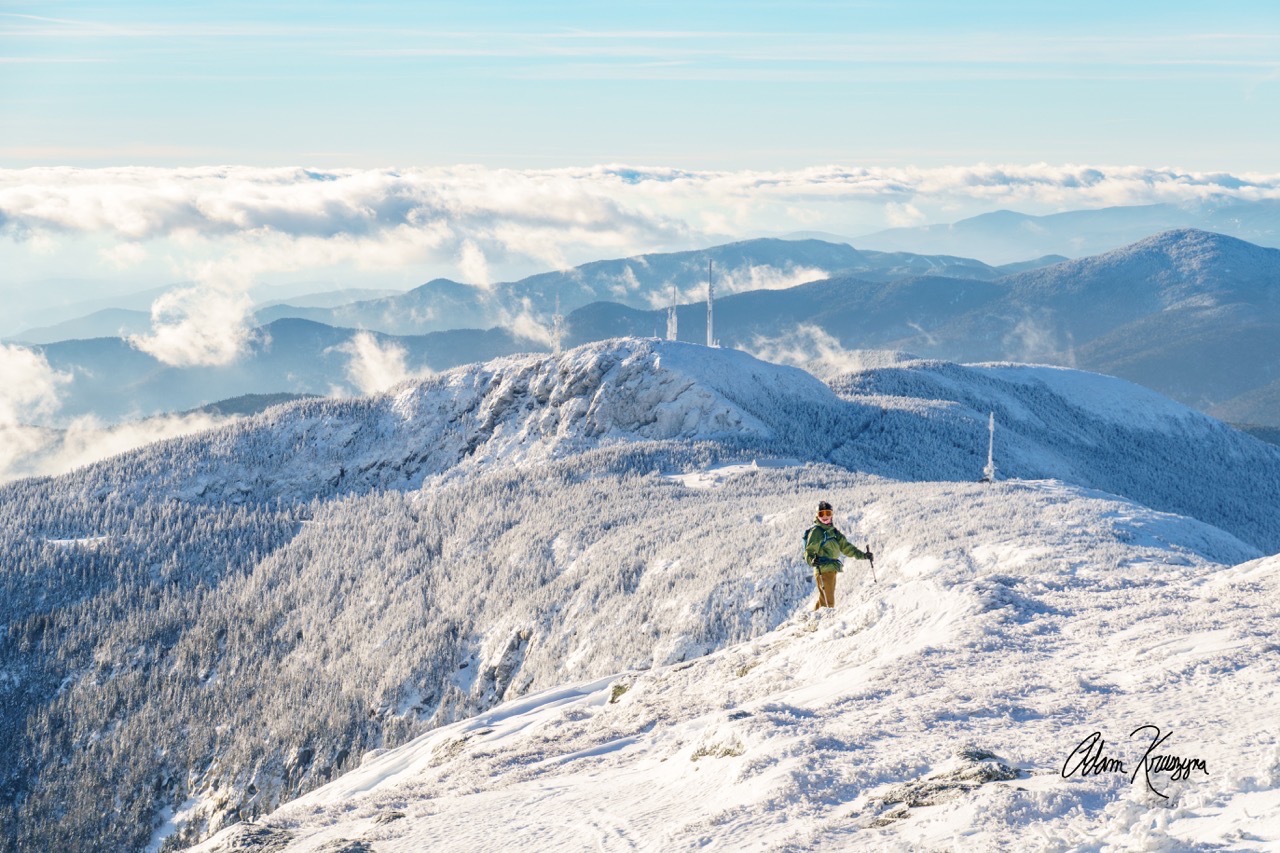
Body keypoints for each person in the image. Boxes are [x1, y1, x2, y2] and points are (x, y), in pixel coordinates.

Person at [804, 500, 872, 610]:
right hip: (823, 569)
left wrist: (863, 555)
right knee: (828, 602)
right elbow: (809, 550)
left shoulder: (833, 532)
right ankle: (820, 624)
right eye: (822, 514)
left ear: (832, 515)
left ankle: (813, 619)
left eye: (828, 513)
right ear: (817, 516)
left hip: (831, 569)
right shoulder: (817, 531)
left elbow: (846, 547)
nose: (825, 517)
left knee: (825, 599)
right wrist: (811, 560)